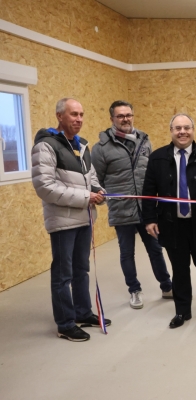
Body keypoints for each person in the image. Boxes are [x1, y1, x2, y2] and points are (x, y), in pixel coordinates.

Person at [31, 98, 111, 342]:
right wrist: (87, 196)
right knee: (63, 275)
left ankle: (82, 311)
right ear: (59, 116)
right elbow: (45, 187)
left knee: (81, 270)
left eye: (81, 114)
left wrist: (99, 192)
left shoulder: (82, 145)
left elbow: (92, 177)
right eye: (73, 114)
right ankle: (65, 324)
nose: (79, 119)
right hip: (63, 222)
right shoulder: (46, 146)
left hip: (84, 218)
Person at [142, 113, 196, 329]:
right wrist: (150, 219)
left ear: (193, 130)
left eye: (187, 127)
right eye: (178, 128)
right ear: (171, 131)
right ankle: (182, 311)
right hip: (172, 224)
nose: (182, 132)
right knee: (179, 270)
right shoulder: (158, 158)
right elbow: (149, 191)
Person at [91, 100, 172, 310]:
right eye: (120, 116)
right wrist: (99, 196)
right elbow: (95, 180)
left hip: (146, 209)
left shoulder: (144, 140)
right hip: (121, 209)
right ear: (112, 119)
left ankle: (167, 285)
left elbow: (152, 174)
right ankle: (134, 290)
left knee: (155, 248)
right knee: (127, 252)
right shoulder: (101, 149)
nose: (125, 119)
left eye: (128, 115)